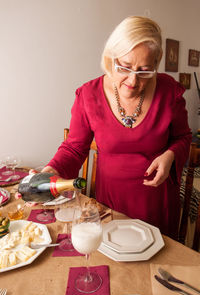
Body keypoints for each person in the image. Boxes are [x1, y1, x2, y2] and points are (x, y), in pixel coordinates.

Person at [31, 16, 193, 239]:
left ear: (156, 65)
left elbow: (184, 137)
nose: (133, 81)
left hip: (158, 202)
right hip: (110, 202)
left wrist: (171, 155)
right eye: (124, 68)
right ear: (110, 59)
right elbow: (74, 148)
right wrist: (52, 171)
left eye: (144, 71)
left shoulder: (169, 92)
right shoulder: (88, 95)